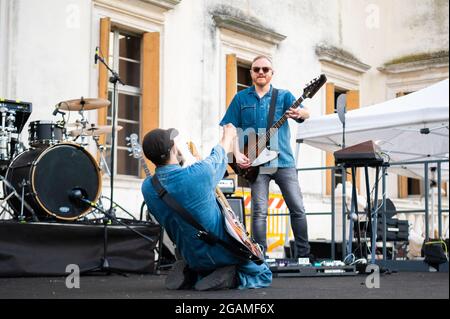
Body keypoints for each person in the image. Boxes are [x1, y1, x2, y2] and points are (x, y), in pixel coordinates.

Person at [141, 124, 272, 291]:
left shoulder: (148, 188)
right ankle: (232, 277)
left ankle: (193, 274)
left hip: (189, 254)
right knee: (262, 274)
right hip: (219, 252)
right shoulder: (198, 174)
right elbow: (218, 156)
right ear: (173, 149)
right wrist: (228, 136)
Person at [220, 55, 311, 259]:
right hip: (256, 165)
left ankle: (304, 255)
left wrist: (300, 113)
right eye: (256, 69)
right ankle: (260, 255)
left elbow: (306, 113)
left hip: (284, 161)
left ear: (272, 73)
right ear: (251, 72)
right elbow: (230, 127)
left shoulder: (284, 96)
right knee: (259, 211)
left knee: (297, 208)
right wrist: (236, 153)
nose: (261, 72)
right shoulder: (241, 98)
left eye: (265, 69)